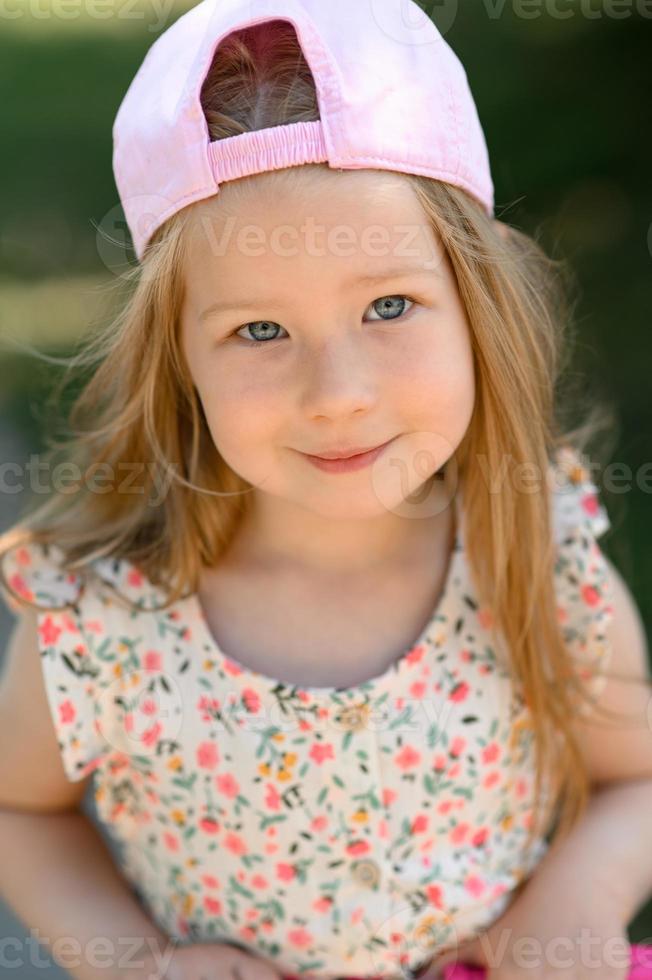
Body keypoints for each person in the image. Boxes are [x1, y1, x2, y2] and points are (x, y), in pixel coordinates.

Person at [0, 2, 651, 980]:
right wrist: (137, 960)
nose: (338, 396)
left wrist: (582, 893)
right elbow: (20, 806)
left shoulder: (534, 553)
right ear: (177, 364)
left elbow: (635, 775)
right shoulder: (105, 614)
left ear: (477, 311)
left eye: (388, 305)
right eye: (258, 331)